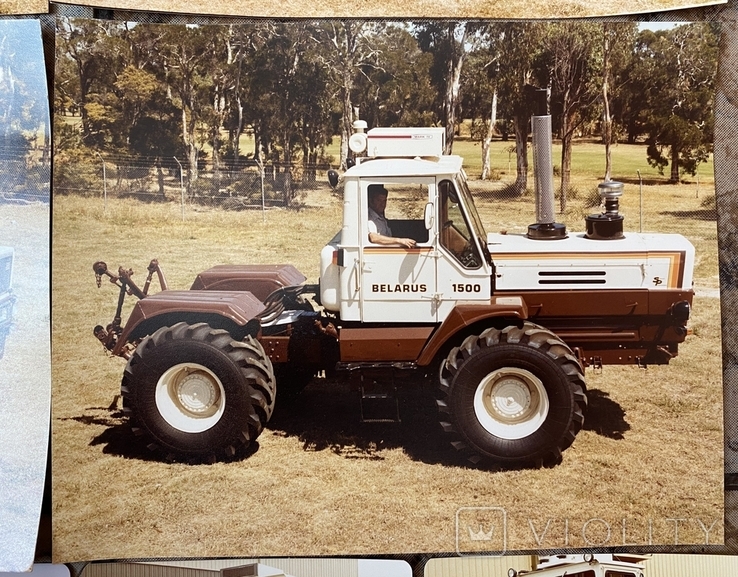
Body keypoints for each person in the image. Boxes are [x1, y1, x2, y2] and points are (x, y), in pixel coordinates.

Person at [366, 184, 416, 248]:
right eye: (379, 200)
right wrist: (400, 241)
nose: (382, 204)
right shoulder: (369, 217)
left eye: (384, 201)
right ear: (371, 201)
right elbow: (373, 237)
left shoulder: (381, 216)